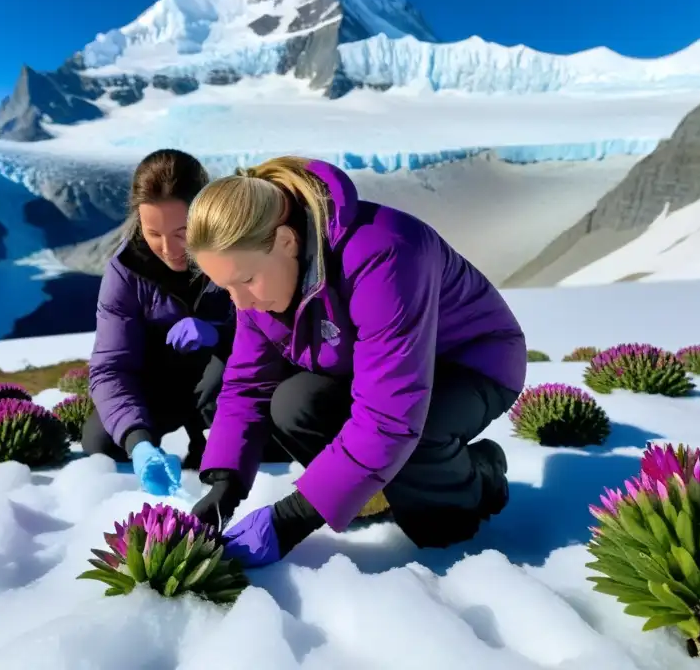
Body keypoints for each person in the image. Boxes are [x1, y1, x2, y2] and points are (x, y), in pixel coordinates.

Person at [185, 156, 527, 566]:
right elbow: (247, 386)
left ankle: (481, 475)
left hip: (470, 362)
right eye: (226, 287)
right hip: (381, 372)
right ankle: (379, 489)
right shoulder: (257, 280)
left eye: (247, 281)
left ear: (286, 242)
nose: (241, 303)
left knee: (440, 526)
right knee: (294, 403)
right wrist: (225, 483)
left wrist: (292, 518)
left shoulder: (384, 254)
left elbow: (390, 417)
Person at [85, 149, 255, 495]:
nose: (169, 248)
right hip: (160, 388)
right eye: (154, 233)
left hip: (230, 377)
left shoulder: (239, 247)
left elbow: (276, 332)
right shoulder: (126, 271)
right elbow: (111, 368)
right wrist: (138, 441)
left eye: (183, 231)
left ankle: (216, 436)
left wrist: (221, 335)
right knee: (101, 440)